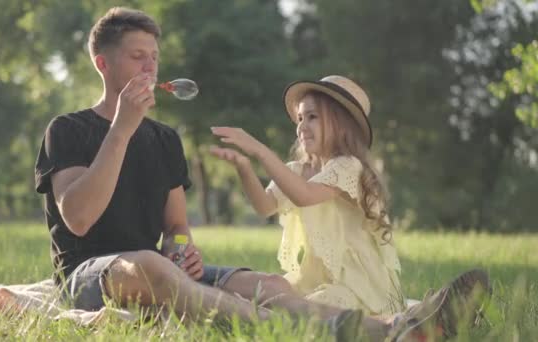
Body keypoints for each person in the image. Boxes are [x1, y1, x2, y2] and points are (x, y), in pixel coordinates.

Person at [33, 7, 380, 340]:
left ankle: (383, 330)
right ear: (103, 64)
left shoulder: (165, 139)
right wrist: (122, 129)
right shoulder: (67, 129)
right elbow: (78, 219)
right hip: (86, 277)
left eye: (154, 56)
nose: (150, 67)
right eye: (138, 56)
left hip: (158, 267)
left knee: (272, 286)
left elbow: (177, 227)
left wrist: (181, 250)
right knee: (153, 267)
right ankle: (305, 333)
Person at [210, 75, 491, 339]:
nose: (301, 126)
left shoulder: (347, 167)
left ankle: (410, 324)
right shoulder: (296, 169)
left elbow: (305, 195)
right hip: (314, 279)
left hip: (354, 282)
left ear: (340, 125)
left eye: (312, 117)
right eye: (299, 118)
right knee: (271, 289)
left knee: (309, 311)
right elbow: (264, 206)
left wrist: (260, 150)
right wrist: (245, 168)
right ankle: (421, 316)